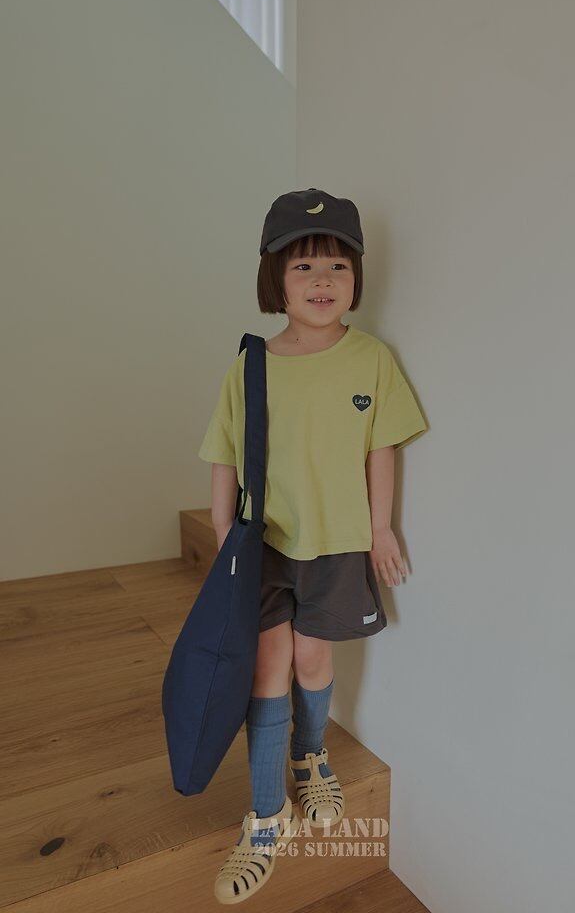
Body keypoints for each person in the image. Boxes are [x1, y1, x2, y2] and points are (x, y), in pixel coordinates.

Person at [198, 188, 429, 904]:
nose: (322, 280)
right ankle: (266, 817)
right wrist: (220, 535)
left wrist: (381, 529)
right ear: (275, 277)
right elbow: (224, 453)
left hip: (337, 546)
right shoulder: (252, 363)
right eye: (303, 266)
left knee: (311, 657)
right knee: (268, 666)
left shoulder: (372, 358)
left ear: (356, 276)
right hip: (265, 545)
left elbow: (381, 449)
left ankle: (311, 756)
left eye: (337, 265)